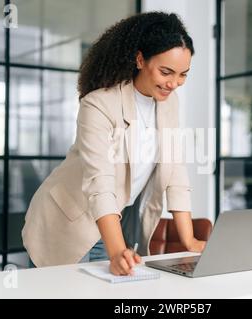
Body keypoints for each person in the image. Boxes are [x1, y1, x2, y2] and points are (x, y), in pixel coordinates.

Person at [22, 11, 206, 276]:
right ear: (140, 59)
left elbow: (175, 169)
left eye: (183, 75)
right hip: (66, 223)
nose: (174, 83)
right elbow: (100, 181)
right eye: (166, 71)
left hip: (113, 223)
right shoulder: (99, 104)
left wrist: (188, 241)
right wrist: (117, 250)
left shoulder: (169, 103)